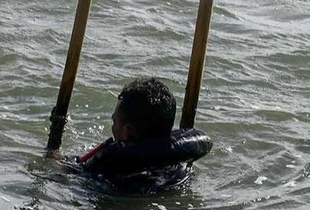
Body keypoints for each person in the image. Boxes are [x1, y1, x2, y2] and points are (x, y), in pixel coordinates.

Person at [72, 77, 212, 193]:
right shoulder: (180, 168)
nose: (113, 127)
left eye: (115, 121)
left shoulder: (110, 174)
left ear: (128, 132)